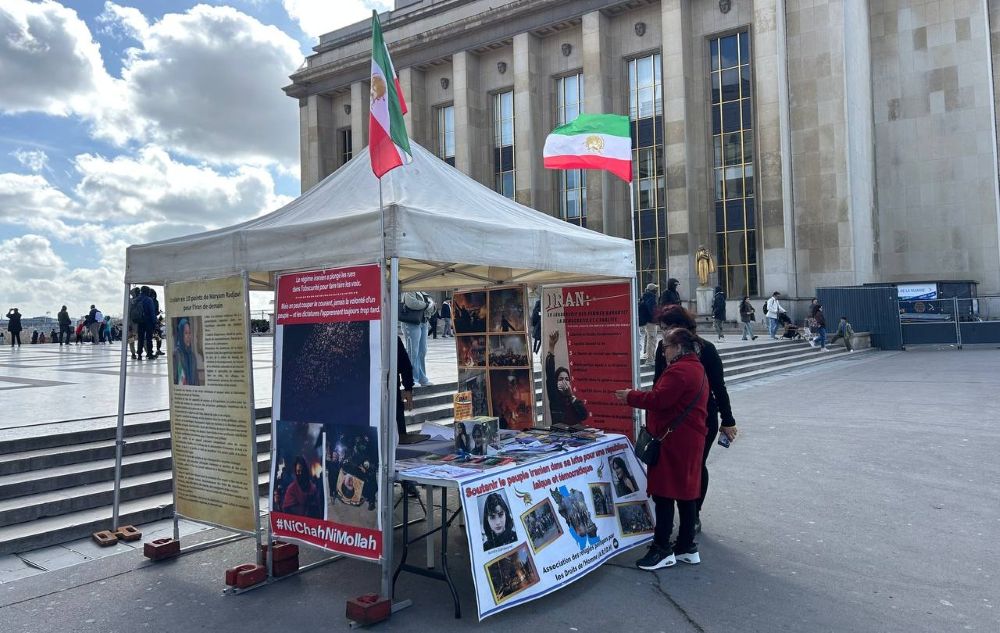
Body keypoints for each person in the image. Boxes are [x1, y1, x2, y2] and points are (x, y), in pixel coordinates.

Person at [614, 327, 709, 570]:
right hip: (688, 440)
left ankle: (662, 548)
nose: (662, 351)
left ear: (677, 347)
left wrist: (630, 396)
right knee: (687, 494)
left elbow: (659, 400)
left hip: (674, 442)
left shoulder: (680, 371)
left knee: (664, 494)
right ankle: (687, 546)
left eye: (665, 346)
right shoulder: (695, 366)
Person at [651, 306, 738, 534]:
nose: (665, 333)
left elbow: (719, 387)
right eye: (663, 329)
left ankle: (693, 514)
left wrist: (727, 419)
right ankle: (668, 519)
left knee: (695, 467)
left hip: (700, 418)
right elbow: (657, 383)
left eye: (669, 328)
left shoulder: (706, 350)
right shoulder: (663, 347)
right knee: (668, 468)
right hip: (669, 419)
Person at [544, 330, 589, 426]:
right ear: (555, 382)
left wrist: (571, 396)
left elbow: (584, 415)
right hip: (560, 436)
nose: (564, 381)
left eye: (567, 379)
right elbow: (550, 372)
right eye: (560, 379)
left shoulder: (573, 399)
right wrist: (551, 347)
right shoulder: (554, 395)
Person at [400, 290, 433, 386]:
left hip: (423, 322)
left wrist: (429, 305)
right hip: (411, 323)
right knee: (413, 351)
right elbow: (412, 303)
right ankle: (412, 379)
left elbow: (433, 307)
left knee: (422, 351)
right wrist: (427, 305)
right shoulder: (409, 290)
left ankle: (422, 377)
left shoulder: (423, 292)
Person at [173, 318, 201, 386]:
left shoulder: (192, 356)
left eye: (189, 333)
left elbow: (196, 381)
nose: (188, 336)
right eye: (185, 333)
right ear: (181, 335)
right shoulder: (177, 354)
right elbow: (177, 379)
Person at [639, 283, 658, 365]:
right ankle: (650, 359)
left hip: (646, 321)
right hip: (651, 321)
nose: (656, 291)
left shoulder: (644, 296)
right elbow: (652, 310)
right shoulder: (651, 297)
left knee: (648, 338)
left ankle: (647, 356)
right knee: (652, 339)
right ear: (652, 290)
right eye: (655, 289)